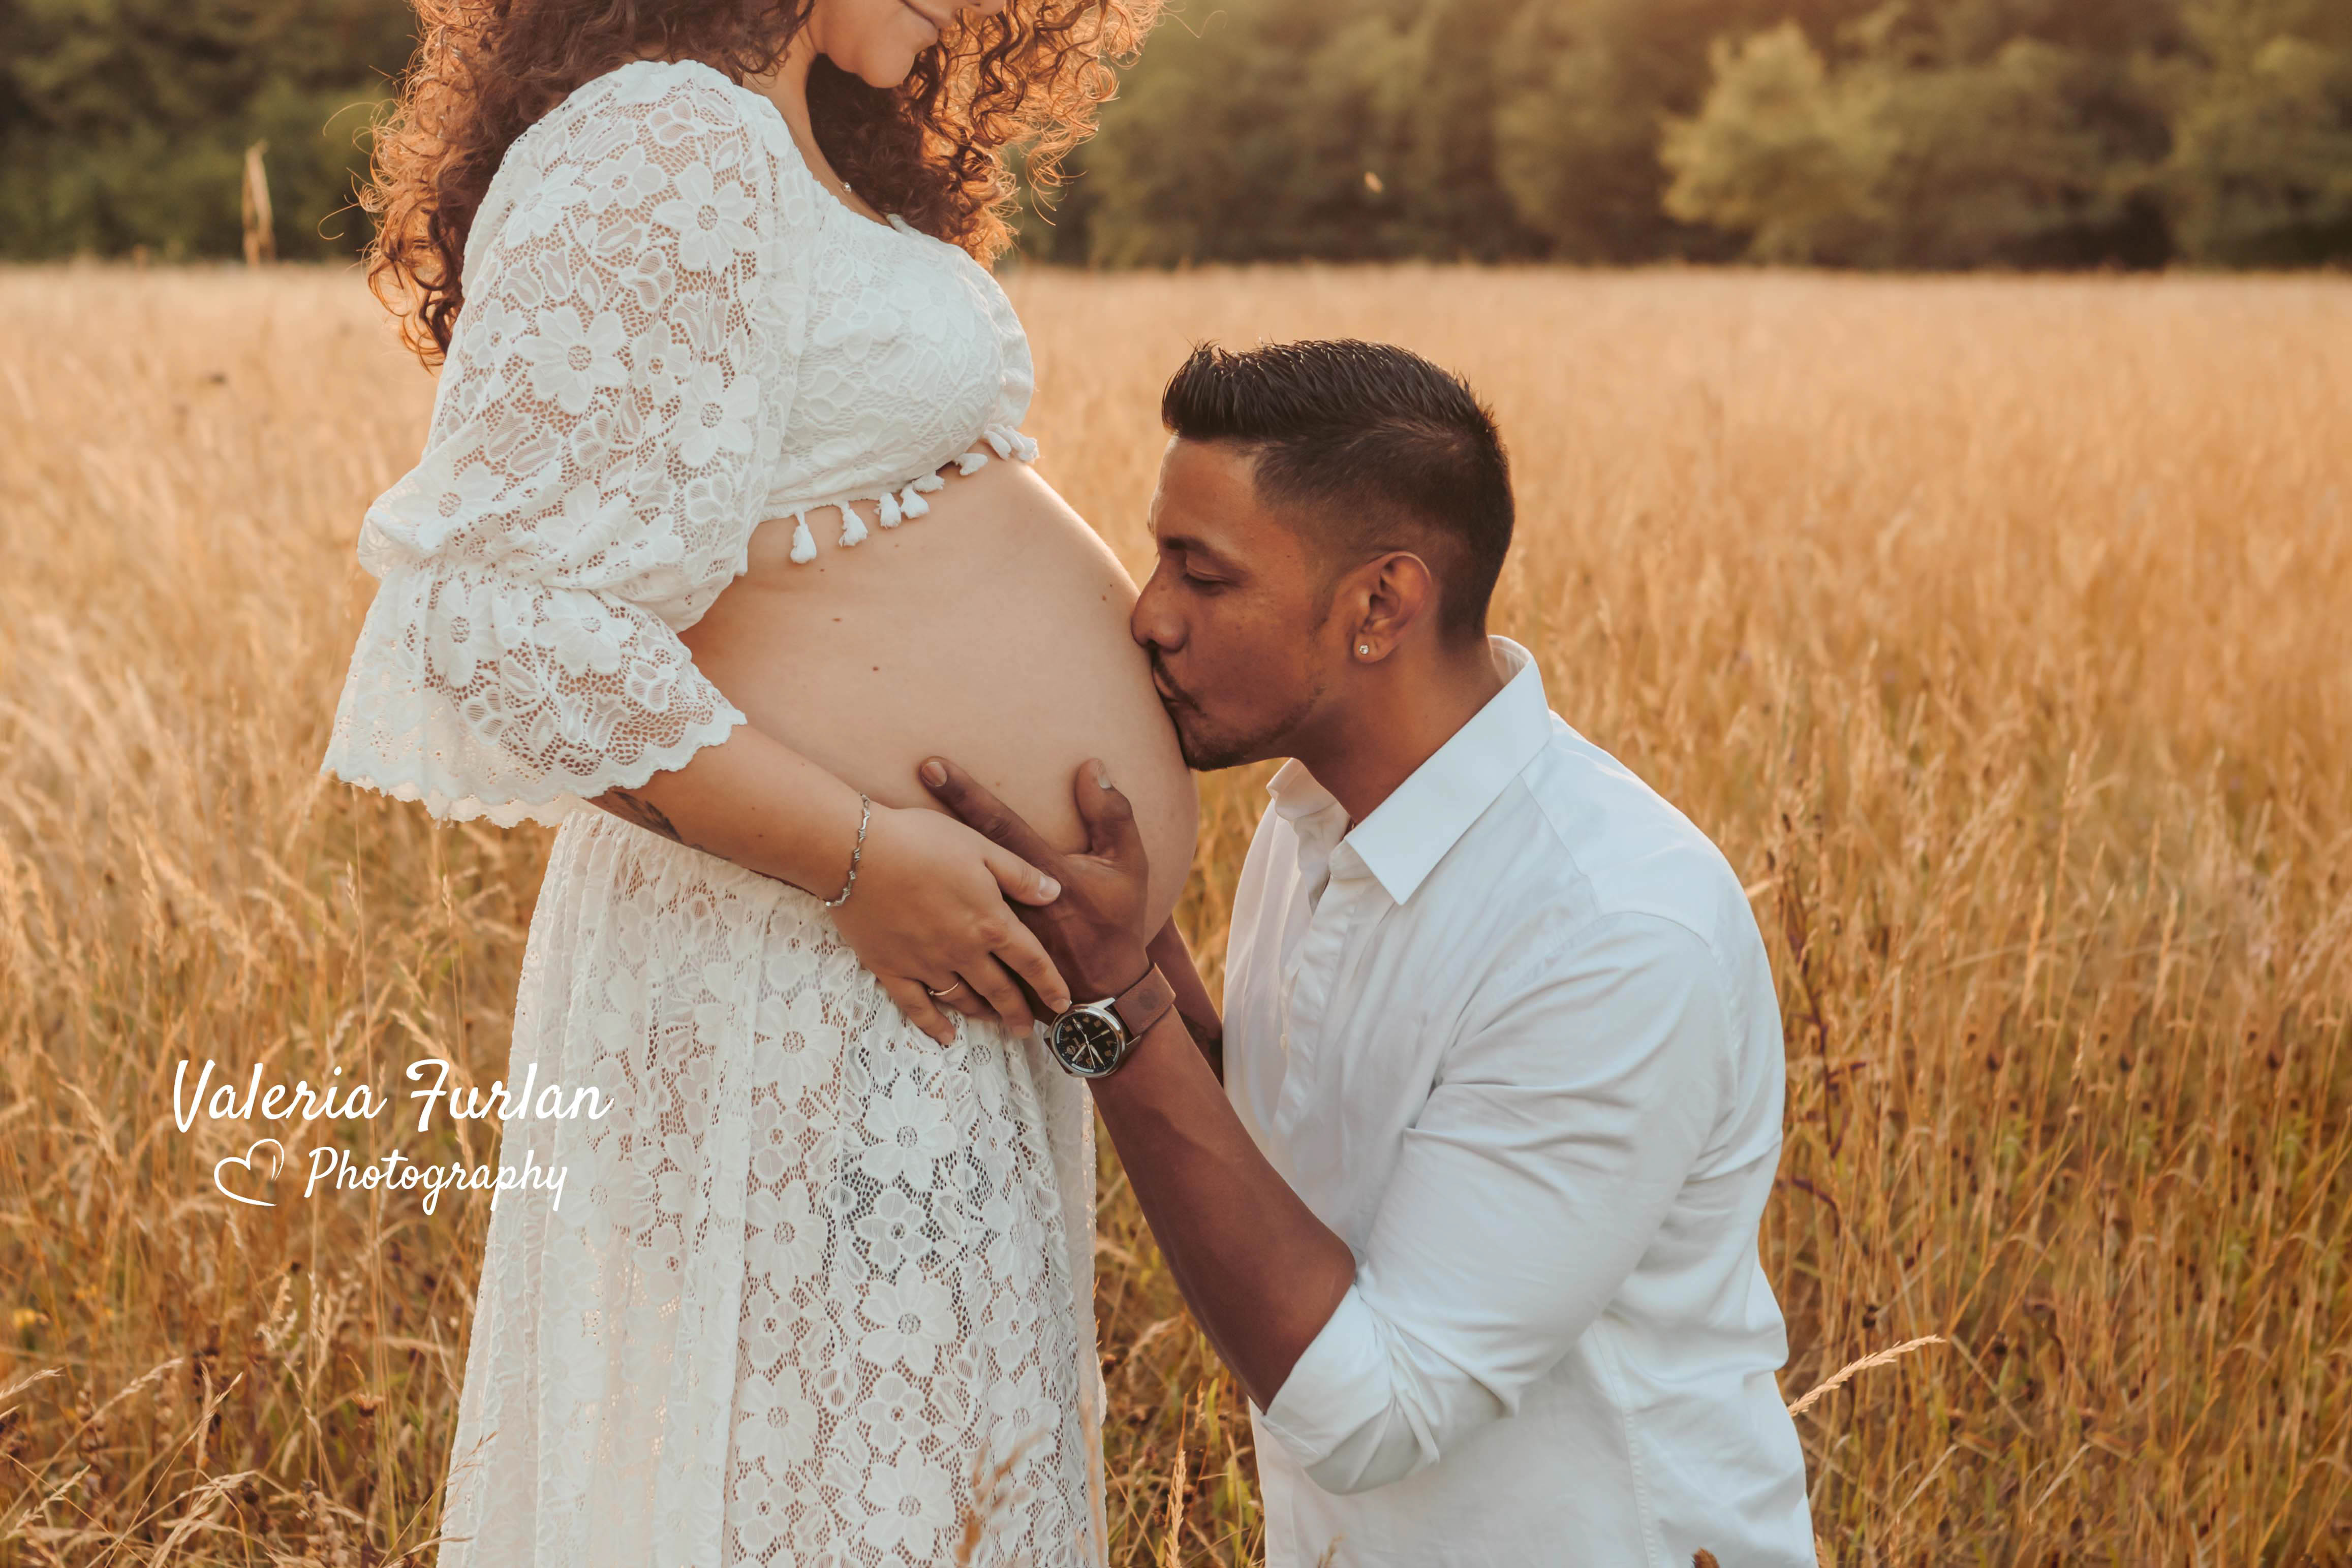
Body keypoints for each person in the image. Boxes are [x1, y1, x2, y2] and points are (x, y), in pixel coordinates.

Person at [316, 1, 1195, 1562]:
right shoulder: (671, 133)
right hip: (796, 961)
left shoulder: (799, 150)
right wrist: (866, 857)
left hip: (902, 973)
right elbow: (496, 611)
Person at [920, 339, 1819, 1566]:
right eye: (1157, 555)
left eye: (1204, 573)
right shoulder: (1315, 819)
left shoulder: (1613, 933)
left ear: (1380, 606)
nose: (1149, 614)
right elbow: (1310, 1148)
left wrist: (1116, 1005)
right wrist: (1129, 955)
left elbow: (1372, 1406)